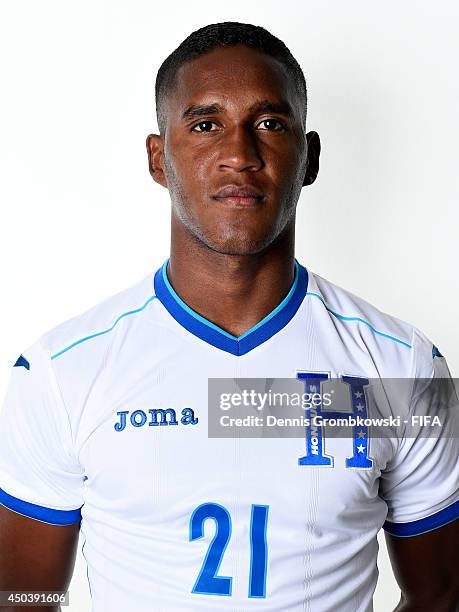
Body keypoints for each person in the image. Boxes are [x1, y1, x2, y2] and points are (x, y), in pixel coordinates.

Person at [0, 21, 458, 612]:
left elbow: (442, 593)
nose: (239, 156)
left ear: (308, 157)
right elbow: (21, 595)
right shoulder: (61, 372)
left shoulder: (407, 367)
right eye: (205, 125)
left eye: (269, 124)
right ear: (159, 158)